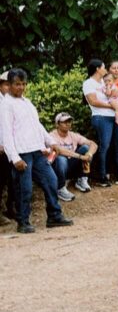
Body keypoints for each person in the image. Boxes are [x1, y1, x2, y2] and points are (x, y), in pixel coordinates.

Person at [0, 69, 73, 234]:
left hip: (37, 150)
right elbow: (6, 133)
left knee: (51, 180)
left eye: (24, 84)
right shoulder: (6, 105)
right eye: (17, 84)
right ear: (10, 85)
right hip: (21, 153)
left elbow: (37, 126)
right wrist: (14, 158)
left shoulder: (27, 102)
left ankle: (54, 216)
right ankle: (23, 222)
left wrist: (51, 142)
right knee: (24, 189)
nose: (21, 87)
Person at [82, 59, 118, 187]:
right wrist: (112, 107)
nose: (106, 69)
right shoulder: (89, 83)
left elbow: (114, 93)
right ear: (97, 69)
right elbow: (93, 101)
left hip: (116, 116)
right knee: (105, 146)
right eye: (104, 67)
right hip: (101, 117)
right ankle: (102, 176)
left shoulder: (105, 81)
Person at [48, 113, 97, 197]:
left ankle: (81, 179)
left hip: (71, 165)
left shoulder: (73, 135)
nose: (68, 124)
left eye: (69, 121)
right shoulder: (51, 136)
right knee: (61, 159)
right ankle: (60, 188)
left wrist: (89, 154)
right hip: (57, 168)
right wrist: (80, 156)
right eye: (64, 122)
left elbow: (93, 144)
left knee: (85, 148)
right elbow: (59, 150)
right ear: (57, 124)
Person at [0, 69, 18, 223]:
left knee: (13, 179)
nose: (9, 88)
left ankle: (11, 208)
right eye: (6, 85)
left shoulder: (15, 101)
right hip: (1, 148)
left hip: (12, 148)